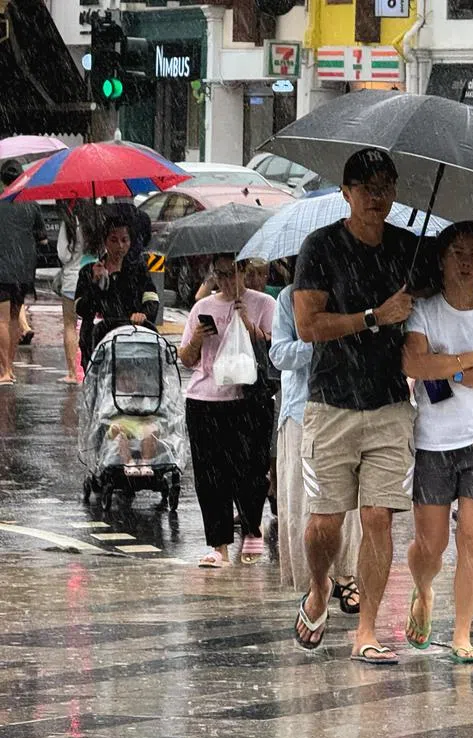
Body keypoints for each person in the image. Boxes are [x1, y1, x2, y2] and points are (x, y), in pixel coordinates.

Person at [290, 148, 473, 662]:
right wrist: (374, 316)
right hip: (332, 403)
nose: (378, 197)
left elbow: (460, 282)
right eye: (367, 187)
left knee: (377, 517)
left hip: (392, 407)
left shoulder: (407, 250)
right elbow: (309, 327)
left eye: (386, 186)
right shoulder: (320, 247)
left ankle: (366, 630)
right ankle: (321, 587)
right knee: (326, 522)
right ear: (346, 192)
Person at [402, 220, 473, 664]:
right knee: (430, 546)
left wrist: (448, 368)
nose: (467, 262)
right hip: (433, 440)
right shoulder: (425, 310)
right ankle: (424, 588)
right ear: (441, 259)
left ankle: (462, 633)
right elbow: (413, 360)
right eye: (458, 253)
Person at [178, 253, 276, 569]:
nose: (226, 282)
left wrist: (248, 324)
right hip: (205, 400)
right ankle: (218, 545)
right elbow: (187, 359)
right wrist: (196, 338)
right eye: (219, 275)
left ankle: (252, 530)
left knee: (250, 473)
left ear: (245, 272)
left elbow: (275, 351)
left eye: (232, 274)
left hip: (248, 400)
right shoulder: (202, 308)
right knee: (210, 476)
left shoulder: (263, 304)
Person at [271, 281, 362, 612]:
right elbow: (279, 354)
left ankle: (346, 575)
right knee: (304, 499)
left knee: (346, 499)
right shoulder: (286, 298)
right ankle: (315, 580)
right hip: (301, 411)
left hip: (348, 407)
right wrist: (321, 339)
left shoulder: (354, 295)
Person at [74, 217, 160, 369]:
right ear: (105, 242)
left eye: (124, 240)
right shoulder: (88, 272)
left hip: (130, 341)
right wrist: (95, 283)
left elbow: (151, 298)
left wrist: (143, 314)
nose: (120, 246)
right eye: (114, 240)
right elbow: (82, 309)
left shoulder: (137, 270)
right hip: (96, 341)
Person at [0, 160, 47, 385]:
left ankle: (5, 371)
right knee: (14, 319)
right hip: (23, 271)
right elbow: (43, 238)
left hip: (1, 269)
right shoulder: (32, 205)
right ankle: (10, 368)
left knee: (1, 321)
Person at [56, 200, 99, 383]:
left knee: (70, 325)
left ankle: (73, 373)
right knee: (91, 323)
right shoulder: (97, 221)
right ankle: (92, 367)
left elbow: (62, 254)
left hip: (72, 280)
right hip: (93, 277)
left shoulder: (70, 223)